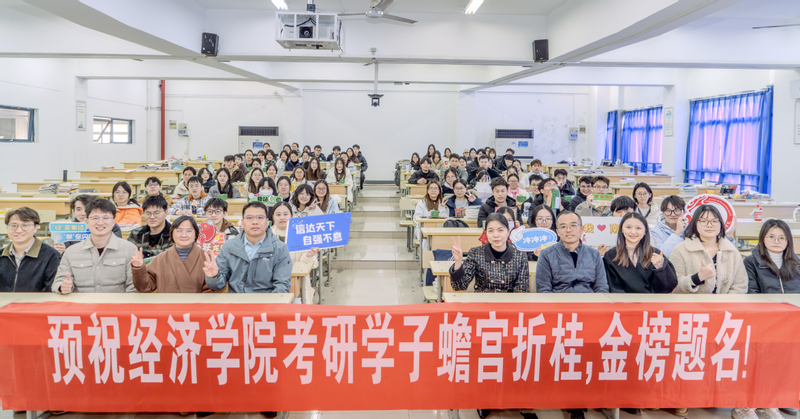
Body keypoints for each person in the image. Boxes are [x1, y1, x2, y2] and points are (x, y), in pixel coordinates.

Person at [203, 202, 292, 294]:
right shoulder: (229, 246)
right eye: (249, 218)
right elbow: (218, 285)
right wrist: (214, 277)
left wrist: (269, 303)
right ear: (242, 222)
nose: (255, 222)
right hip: (237, 300)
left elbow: (282, 286)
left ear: (267, 222)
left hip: (267, 300)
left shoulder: (280, 248)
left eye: (260, 217)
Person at [52, 198, 137, 294]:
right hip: (82, 303)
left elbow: (133, 287)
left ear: (113, 222)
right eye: (95, 218)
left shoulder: (129, 249)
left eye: (105, 218)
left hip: (117, 303)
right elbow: (58, 281)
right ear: (87, 222)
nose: (100, 222)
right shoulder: (71, 252)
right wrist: (62, 287)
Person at [670, 204, 747, 294]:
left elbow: (740, 286)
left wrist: (725, 302)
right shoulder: (681, 250)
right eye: (703, 221)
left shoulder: (731, 251)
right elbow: (672, 286)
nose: (710, 225)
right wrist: (697, 278)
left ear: (720, 224)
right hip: (692, 302)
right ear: (695, 223)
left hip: (726, 302)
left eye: (714, 221)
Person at [450, 213, 529, 298]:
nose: (496, 235)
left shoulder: (520, 257)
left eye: (500, 230)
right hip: (481, 302)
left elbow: (521, 292)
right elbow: (459, 286)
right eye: (490, 231)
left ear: (508, 232)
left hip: (509, 303)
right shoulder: (476, 253)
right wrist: (458, 262)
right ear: (486, 233)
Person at [132, 215, 211, 293]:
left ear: (196, 234)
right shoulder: (161, 259)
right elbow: (145, 288)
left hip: (197, 301)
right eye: (179, 231)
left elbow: (210, 289)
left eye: (189, 231)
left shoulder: (206, 257)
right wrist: (138, 268)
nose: (184, 235)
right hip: (166, 301)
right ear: (172, 233)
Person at [603, 212, 677, 294]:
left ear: (645, 231)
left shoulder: (655, 254)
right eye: (628, 227)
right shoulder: (611, 255)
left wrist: (660, 268)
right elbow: (613, 287)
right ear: (622, 230)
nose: (633, 232)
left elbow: (668, 287)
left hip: (651, 300)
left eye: (638, 228)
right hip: (622, 300)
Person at [0, 207, 60, 292]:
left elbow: (50, 289)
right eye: (13, 226)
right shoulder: (2, 255)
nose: (19, 230)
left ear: (36, 227)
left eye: (25, 225)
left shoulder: (51, 255)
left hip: (38, 300)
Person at [746, 219, 800, 294]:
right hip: (764, 302)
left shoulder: (797, 263)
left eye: (781, 238)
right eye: (771, 237)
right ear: (763, 238)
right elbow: (752, 293)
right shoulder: (751, 262)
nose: (776, 241)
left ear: (788, 241)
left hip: (793, 302)